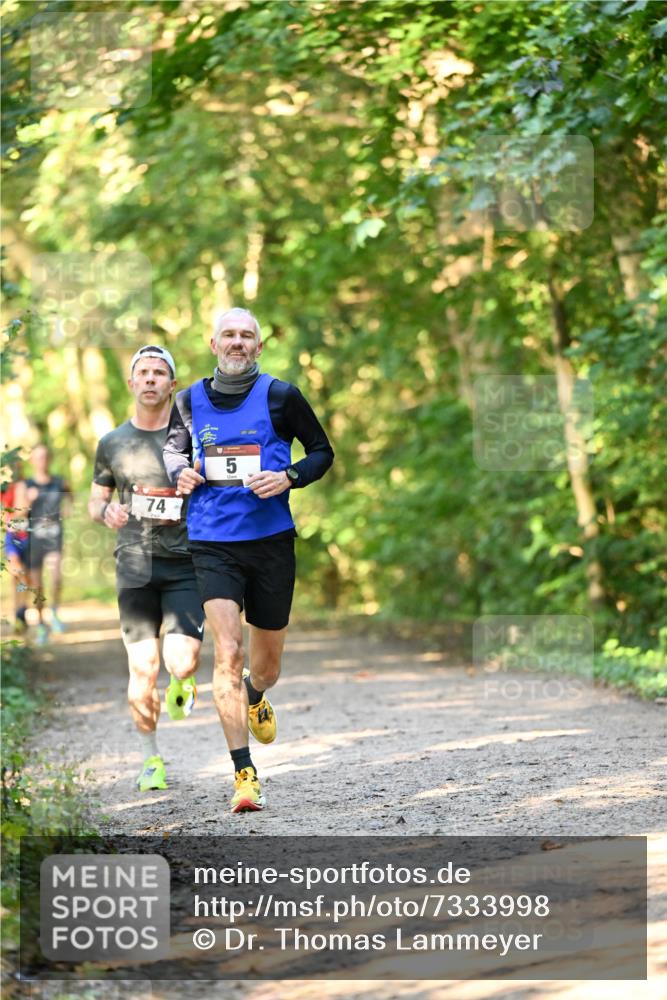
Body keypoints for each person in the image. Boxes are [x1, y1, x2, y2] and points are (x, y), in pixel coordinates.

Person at [164, 307, 334, 813]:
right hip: (212, 541)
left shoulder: (282, 396)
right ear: (213, 344)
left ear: (258, 347)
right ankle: (244, 774)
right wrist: (182, 473)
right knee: (228, 651)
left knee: (265, 666)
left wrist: (289, 478)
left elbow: (322, 451)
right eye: (229, 335)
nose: (238, 343)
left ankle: (255, 694)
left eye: (247, 336)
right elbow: (173, 453)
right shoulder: (188, 401)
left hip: (271, 540)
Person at [88, 345, 204, 793]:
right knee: (142, 669)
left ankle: (184, 681)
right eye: (144, 372)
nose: (152, 379)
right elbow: (96, 498)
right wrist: (105, 513)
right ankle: (150, 759)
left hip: (184, 563)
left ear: (172, 385)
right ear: (132, 383)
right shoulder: (112, 442)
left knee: (182, 660)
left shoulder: (189, 438)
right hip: (134, 564)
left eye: (160, 372)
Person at [26, 443, 72, 645]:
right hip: (34, 537)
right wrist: (28, 502)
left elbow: (70, 497)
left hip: (54, 535)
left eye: (45, 456)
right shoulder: (26, 485)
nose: (42, 461)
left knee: (55, 577)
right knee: (37, 585)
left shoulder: (59, 482)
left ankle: (54, 612)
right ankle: (41, 624)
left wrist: (67, 510)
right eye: (38, 457)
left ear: (49, 459)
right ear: (32, 460)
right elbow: (17, 513)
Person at [1, 454, 30, 634]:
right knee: (15, 573)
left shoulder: (27, 485)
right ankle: (16, 611)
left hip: (27, 537)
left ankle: (22, 608)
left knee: (24, 576)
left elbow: (25, 514)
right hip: (12, 538)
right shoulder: (5, 489)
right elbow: (5, 515)